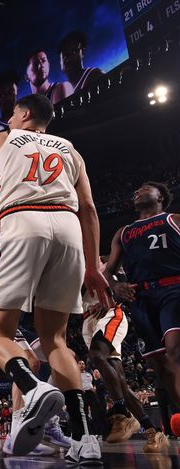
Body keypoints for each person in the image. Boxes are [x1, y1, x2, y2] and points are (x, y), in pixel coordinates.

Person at [0, 93, 109, 463]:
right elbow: (90, 210)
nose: (10, 119)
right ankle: (85, 440)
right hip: (67, 229)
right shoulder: (69, 148)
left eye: (14, 114)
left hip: (20, 220)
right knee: (56, 341)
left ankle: (31, 389)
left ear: (26, 113)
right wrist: (94, 266)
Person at [103, 181, 180, 452]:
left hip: (174, 287)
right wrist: (116, 286)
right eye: (135, 190)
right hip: (141, 298)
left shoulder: (173, 219)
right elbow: (108, 271)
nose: (137, 191)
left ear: (161, 197)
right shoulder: (123, 233)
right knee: (161, 366)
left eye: (145, 188)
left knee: (175, 350)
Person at [0, 257, 71, 456]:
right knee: (29, 362)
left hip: (18, 324)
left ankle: (48, 423)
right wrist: (2, 277)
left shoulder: (45, 262)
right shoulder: (13, 254)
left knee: (63, 357)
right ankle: (15, 433)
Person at [82, 259, 167, 452]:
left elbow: (125, 288)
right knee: (119, 381)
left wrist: (113, 299)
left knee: (96, 355)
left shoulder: (107, 262)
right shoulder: (75, 261)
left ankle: (121, 413)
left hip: (110, 314)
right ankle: (153, 431)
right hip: (88, 321)